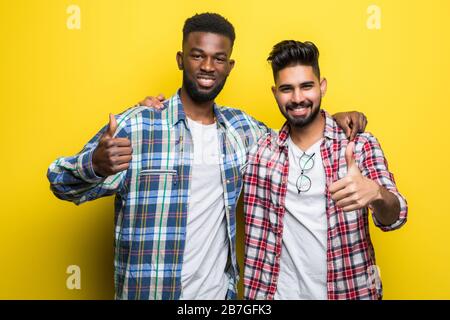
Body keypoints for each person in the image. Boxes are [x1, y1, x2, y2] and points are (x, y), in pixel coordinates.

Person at [47, 13, 366, 300]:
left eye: (219, 58)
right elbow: (60, 183)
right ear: (180, 59)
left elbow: (297, 131)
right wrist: (95, 165)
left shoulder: (244, 132)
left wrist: (333, 119)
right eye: (197, 55)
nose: (208, 66)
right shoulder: (137, 126)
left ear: (229, 66)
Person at [243, 40, 407, 300]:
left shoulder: (359, 144)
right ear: (275, 92)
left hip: (348, 292)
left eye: (306, 86)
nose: (297, 98)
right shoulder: (259, 150)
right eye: (287, 89)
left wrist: (376, 193)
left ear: (322, 87)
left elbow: (395, 217)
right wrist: (155, 110)